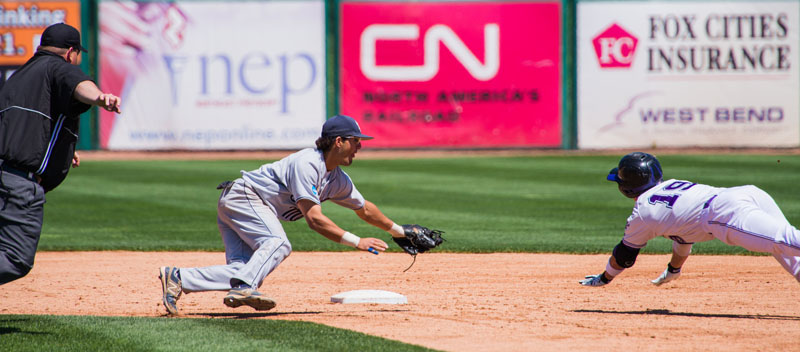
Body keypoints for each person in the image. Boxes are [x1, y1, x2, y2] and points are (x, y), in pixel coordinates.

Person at [158, 114, 409, 315]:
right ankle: (246, 288)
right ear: (338, 141)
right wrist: (357, 241)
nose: (360, 146)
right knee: (277, 244)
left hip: (240, 202)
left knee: (244, 269)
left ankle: (179, 278)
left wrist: (399, 231)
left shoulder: (337, 179)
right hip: (245, 197)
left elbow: (364, 208)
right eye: (355, 140)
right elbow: (315, 219)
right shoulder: (308, 164)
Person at [0, 23, 122, 285]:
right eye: (78, 55)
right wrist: (102, 98)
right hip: (18, 186)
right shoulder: (59, 67)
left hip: (4, 175)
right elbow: (79, 84)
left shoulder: (17, 78)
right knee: (14, 258)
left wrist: (62, 152)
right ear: (70, 53)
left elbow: (23, 127)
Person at [579, 152, 800, 287]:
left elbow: (625, 256)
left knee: (787, 241)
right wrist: (674, 269)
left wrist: (605, 277)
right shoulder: (672, 186)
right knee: (789, 254)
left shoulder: (643, 213)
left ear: (626, 187)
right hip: (747, 194)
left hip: (725, 214)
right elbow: (683, 237)